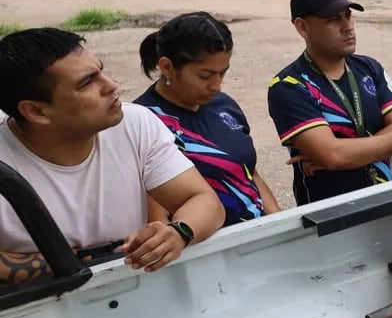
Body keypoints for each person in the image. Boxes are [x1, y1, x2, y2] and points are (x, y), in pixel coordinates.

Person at [0, 28, 224, 285]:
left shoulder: (134, 123)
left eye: (101, 71)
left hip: (130, 292)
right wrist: (75, 262)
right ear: (36, 111)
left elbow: (203, 200)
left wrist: (179, 232)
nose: (111, 86)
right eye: (86, 82)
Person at [267, 0, 392, 206]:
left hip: (385, 204)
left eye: (348, 16)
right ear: (303, 27)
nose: (347, 26)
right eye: (333, 20)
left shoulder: (369, 68)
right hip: (330, 219)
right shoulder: (289, 85)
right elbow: (334, 155)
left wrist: (342, 153)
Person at [135, 12, 281, 227]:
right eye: (205, 76)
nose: (216, 85)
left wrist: (279, 222)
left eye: (222, 73)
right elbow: (157, 221)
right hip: (204, 248)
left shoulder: (224, 105)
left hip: (255, 237)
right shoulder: (146, 123)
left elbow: (247, 173)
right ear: (167, 67)